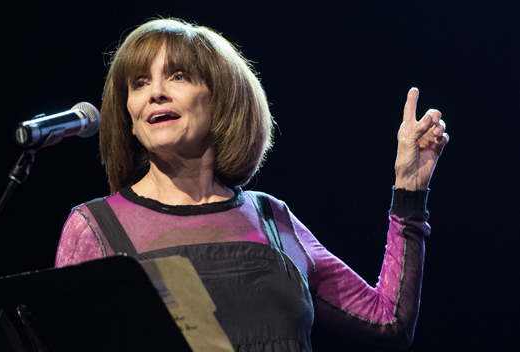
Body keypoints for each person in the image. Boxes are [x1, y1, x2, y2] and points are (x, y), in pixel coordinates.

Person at [55, 18, 449, 351]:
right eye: (139, 83)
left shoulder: (271, 219)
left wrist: (409, 190)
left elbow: (388, 322)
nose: (156, 93)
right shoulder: (96, 228)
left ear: (221, 99)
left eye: (177, 76)